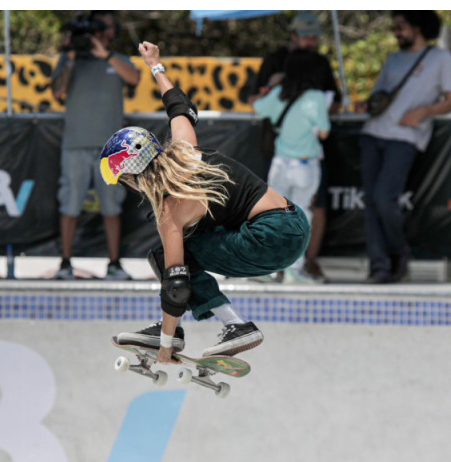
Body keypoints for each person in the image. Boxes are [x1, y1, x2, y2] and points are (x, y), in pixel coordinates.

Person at [110, 42, 310, 361]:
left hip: (269, 239)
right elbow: (180, 107)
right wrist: (155, 66)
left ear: (133, 177)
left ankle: (233, 325)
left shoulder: (169, 208)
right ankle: (184, 329)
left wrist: (163, 347)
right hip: (295, 223)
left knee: (168, 258)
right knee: (186, 248)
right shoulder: (184, 148)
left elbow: (176, 284)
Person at [357, 11, 451, 283]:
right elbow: (377, 96)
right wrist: (366, 106)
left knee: (384, 198)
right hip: (373, 133)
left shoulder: (440, 58)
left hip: (406, 137)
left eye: (401, 26)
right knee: (371, 203)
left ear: (418, 27)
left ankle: (398, 252)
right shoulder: (393, 58)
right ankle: (378, 267)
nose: (396, 32)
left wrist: (424, 111)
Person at [51, 10, 141, 281]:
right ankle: (65, 264)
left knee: (112, 206)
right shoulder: (70, 60)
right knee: (70, 205)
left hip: (112, 148)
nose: (103, 31)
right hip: (75, 144)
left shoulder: (119, 60)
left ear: (114, 31)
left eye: (107, 26)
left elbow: (134, 78)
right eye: (98, 26)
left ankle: (114, 263)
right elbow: (57, 92)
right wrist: (69, 56)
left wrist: (106, 54)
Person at [253, 50, 331, 283]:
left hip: (279, 164)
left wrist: (272, 84)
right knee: (301, 217)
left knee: (274, 216)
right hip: (305, 166)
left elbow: (257, 108)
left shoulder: (279, 92)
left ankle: (266, 267)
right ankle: (293, 271)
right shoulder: (316, 97)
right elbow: (324, 132)